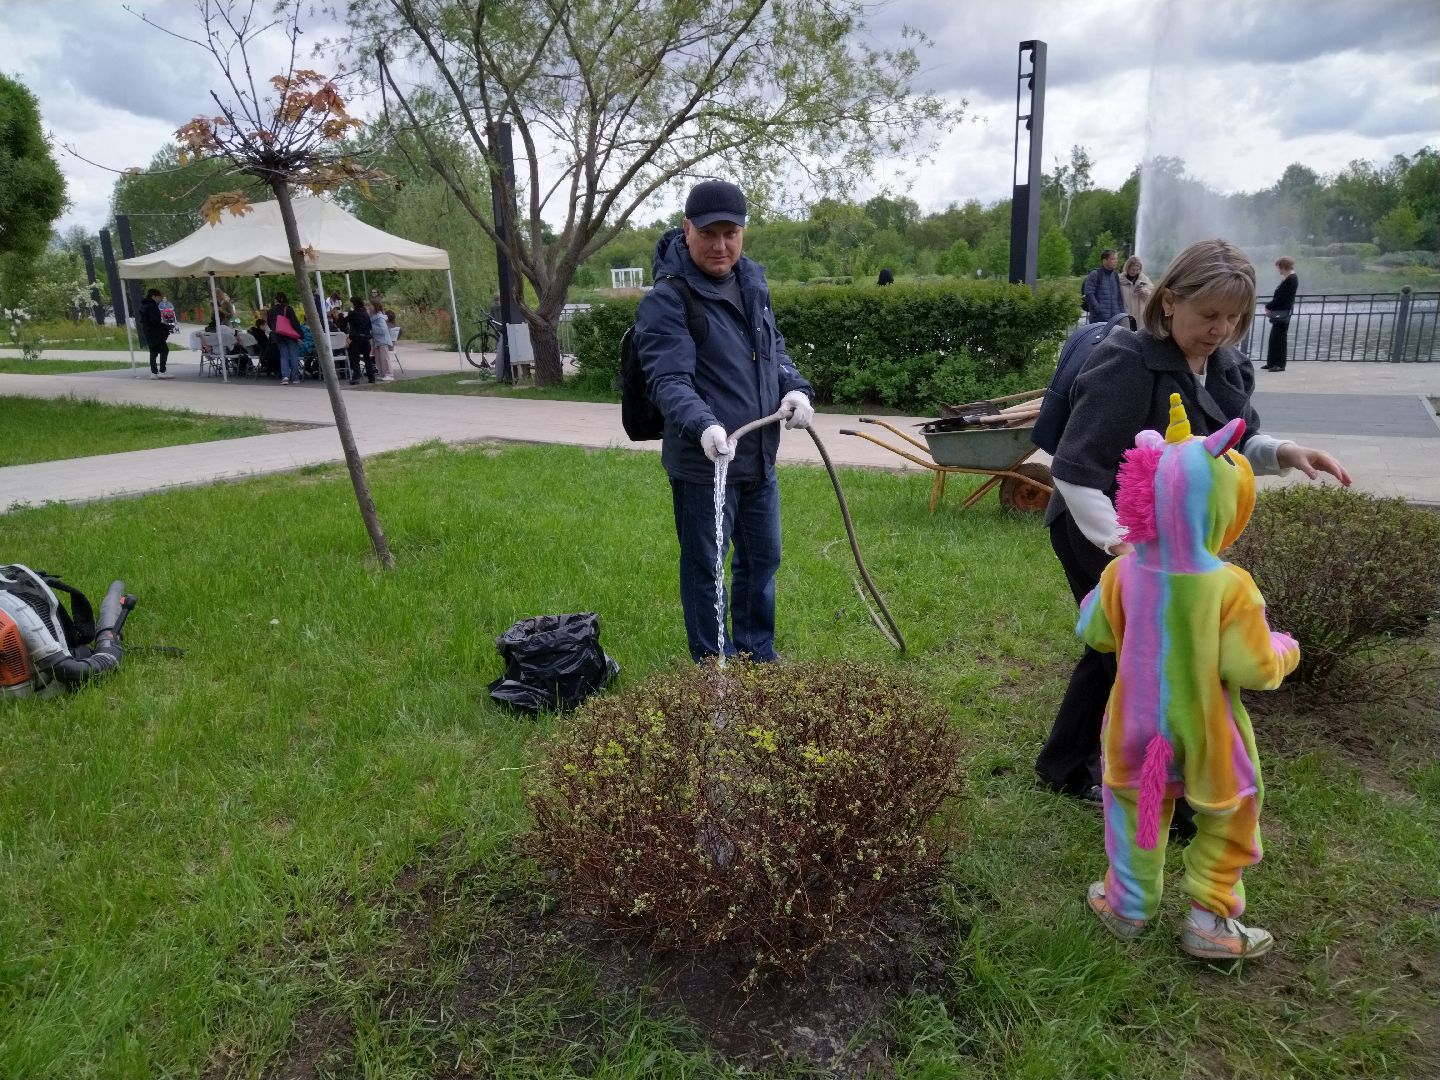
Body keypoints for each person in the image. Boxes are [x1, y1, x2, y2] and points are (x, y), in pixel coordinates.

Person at [1034, 239, 1350, 816]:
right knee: (1142, 658)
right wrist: (1120, 546)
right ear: (1171, 301)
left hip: (1162, 544)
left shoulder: (1225, 362)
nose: (1221, 329)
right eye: (1209, 316)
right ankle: (1160, 795)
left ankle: (1061, 766)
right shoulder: (1126, 364)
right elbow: (1075, 473)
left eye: (1235, 318)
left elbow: (1231, 441)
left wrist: (1284, 451)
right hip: (1095, 529)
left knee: (1114, 650)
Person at [1082, 394, 1299, 960]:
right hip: (1207, 734)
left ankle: (1127, 906)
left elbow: (1095, 631)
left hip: (1136, 730)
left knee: (1141, 810)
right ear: (1217, 505)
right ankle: (1209, 919)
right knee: (1229, 816)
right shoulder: (1230, 585)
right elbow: (1252, 668)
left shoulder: (1121, 571)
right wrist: (1284, 648)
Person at [635, 179, 815, 663]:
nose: (720, 245)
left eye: (730, 233)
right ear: (687, 229)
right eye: (709, 233)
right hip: (705, 465)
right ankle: (713, 670)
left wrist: (794, 387)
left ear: (742, 233)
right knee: (706, 568)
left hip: (759, 459)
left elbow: (771, 351)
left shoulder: (752, 282)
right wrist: (703, 426)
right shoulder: (667, 299)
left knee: (763, 561)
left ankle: (757, 655)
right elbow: (669, 380)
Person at [1262, 256, 1298, 372]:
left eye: (1279, 267)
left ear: (1284, 266)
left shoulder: (1291, 279)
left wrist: (1268, 306)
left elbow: (1282, 298)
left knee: (1280, 339)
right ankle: (1272, 362)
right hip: (1281, 311)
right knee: (1274, 338)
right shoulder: (1289, 278)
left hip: (1282, 312)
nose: (1278, 270)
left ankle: (1280, 364)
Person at [267, 292, 302, 385]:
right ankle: (295, 377)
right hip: (290, 335)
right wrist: (300, 334)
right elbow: (295, 323)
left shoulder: (271, 311)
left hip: (278, 336)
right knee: (293, 356)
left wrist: (275, 330)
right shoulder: (288, 309)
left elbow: (269, 324)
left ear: (276, 300)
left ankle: (285, 377)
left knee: (284, 356)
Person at [1082, 249, 1124, 322]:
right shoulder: (1095, 274)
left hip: (1115, 319)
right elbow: (1089, 293)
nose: (1116, 261)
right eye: (1113, 259)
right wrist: (1098, 309)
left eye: (1116, 259)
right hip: (1099, 319)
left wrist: (1121, 312)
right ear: (1104, 261)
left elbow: (1118, 296)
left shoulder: (1115, 275)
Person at [139, 288, 171, 379]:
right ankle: (162, 371)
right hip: (155, 332)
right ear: (154, 296)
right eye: (159, 298)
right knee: (164, 350)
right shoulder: (152, 306)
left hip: (147, 331)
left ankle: (154, 373)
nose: (159, 300)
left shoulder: (143, 305)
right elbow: (155, 321)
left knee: (153, 352)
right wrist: (165, 326)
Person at [344, 296, 374, 384]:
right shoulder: (365, 313)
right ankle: (371, 377)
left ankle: (356, 377)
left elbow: (344, 321)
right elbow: (369, 326)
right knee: (367, 358)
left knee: (355, 357)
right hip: (366, 338)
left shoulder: (353, 313)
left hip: (356, 338)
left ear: (354, 303)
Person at [1117, 256, 1152, 323]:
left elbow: (1151, 297)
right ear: (1127, 267)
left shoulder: (1145, 280)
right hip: (1125, 315)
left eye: (1137, 270)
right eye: (1132, 269)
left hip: (1140, 316)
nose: (1134, 272)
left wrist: (1143, 291)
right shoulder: (1119, 280)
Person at [368, 298, 395, 381]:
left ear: (375, 306)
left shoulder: (379, 318)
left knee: (384, 358)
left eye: (370, 305)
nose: (369, 307)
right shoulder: (373, 317)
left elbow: (383, 330)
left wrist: (371, 329)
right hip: (377, 341)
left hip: (383, 340)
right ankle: (382, 374)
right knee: (378, 359)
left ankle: (389, 374)